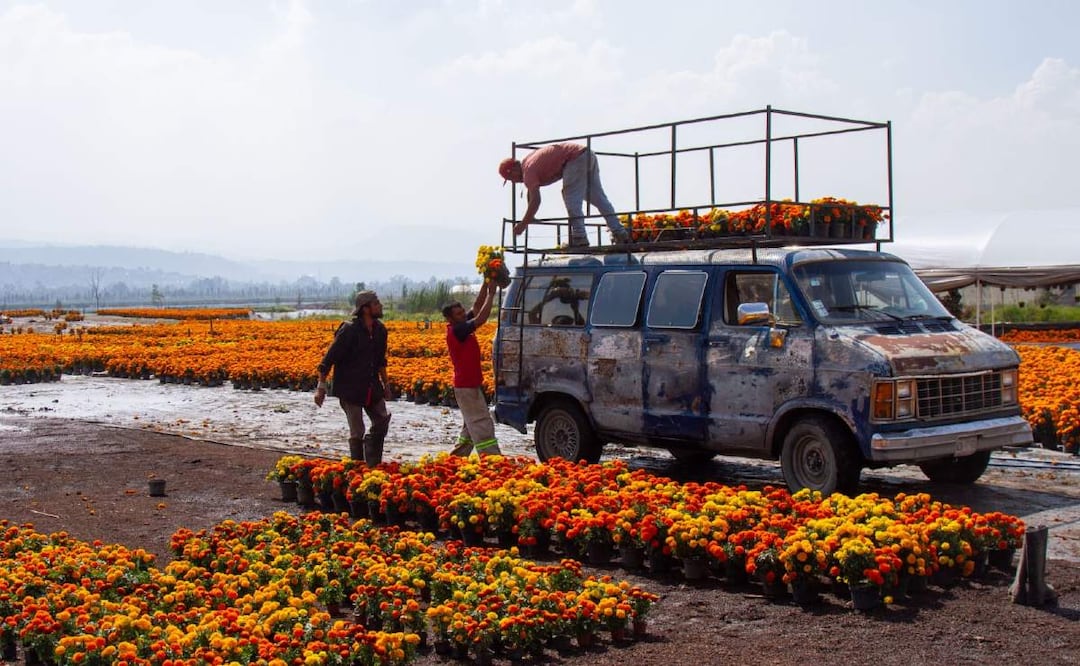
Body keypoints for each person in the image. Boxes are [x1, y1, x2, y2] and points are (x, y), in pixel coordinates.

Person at [498, 142, 630, 248]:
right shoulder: (528, 162)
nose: (514, 182)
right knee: (597, 197)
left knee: (571, 196)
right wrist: (530, 217)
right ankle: (619, 232)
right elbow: (531, 191)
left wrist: (523, 224)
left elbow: (536, 200)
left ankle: (579, 237)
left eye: (511, 178)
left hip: (575, 159)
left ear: (514, 169)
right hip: (586, 154)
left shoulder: (528, 171)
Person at [314, 290, 391, 465]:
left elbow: (380, 361)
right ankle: (357, 467)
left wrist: (386, 384)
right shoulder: (349, 330)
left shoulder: (380, 330)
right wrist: (321, 387)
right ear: (365, 308)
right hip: (350, 388)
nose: (381, 306)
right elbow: (328, 360)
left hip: (372, 386)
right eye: (376, 303)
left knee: (382, 420)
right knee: (357, 431)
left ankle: (373, 463)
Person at [441, 280, 502, 457]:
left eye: (462, 312)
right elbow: (481, 318)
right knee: (482, 422)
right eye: (458, 314)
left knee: (470, 424)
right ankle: (492, 458)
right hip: (466, 387)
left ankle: (457, 458)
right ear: (450, 319)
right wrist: (492, 294)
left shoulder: (460, 325)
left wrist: (486, 282)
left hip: (469, 385)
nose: (462, 315)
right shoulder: (458, 331)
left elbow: (476, 307)